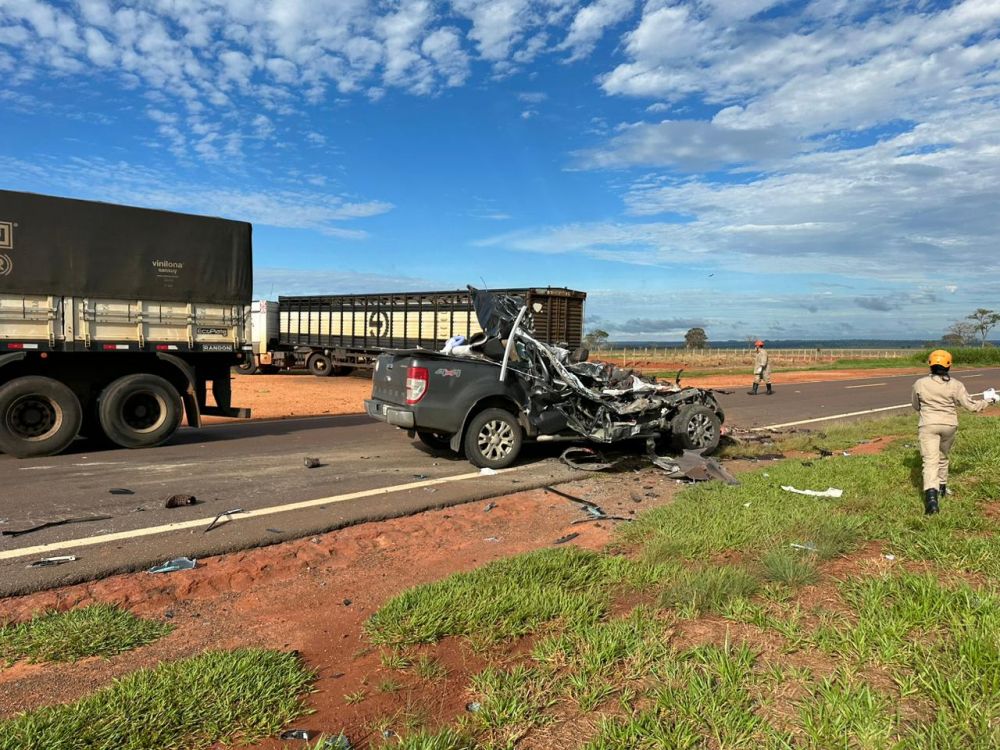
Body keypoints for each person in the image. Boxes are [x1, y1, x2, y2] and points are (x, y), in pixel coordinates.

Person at [911, 349, 999, 514]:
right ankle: (943, 487)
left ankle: (931, 499)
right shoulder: (955, 385)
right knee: (943, 457)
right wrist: (988, 401)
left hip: (928, 424)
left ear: (930, 364)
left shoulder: (919, 383)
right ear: (949, 365)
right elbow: (971, 406)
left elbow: (916, 405)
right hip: (949, 425)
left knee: (930, 461)